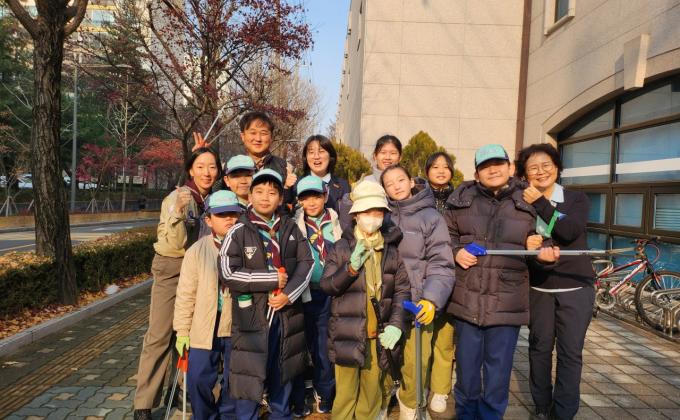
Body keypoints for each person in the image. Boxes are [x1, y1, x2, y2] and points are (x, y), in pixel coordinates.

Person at [443, 144, 559, 420]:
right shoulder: (460, 199)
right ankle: (465, 415)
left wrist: (542, 253)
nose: (492, 170)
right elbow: (443, 238)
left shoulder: (530, 199)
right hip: (467, 299)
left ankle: (492, 416)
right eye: (485, 166)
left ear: (510, 167)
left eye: (498, 164)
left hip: (507, 302)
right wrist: (455, 251)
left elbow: (548, 239)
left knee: (498, 375)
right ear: (476, 173)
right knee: (467, 372)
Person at [133, 142, 221, 420]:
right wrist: (179, 212)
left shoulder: (212, 199)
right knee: (160, 334)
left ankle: (182, 387)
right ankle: (144, 403)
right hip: (173, 268)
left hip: (201, 270)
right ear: (190, 171)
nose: (207, 172)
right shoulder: (179, 197)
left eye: (212, 167)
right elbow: (174, 242)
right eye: (200, 166)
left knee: (192, 332)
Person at [218, 168, 314, 419]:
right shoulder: (238, 230)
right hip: (251, 317)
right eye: (259, 191)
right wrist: (270, 279)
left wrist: (289, 294)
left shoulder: (290, 227)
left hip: (286, 316)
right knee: (248, 379)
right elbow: (227, 272)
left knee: (283, 375)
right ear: (249, 195)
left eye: (272, 193)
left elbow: (307, 263)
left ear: (281, 198)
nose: (265, 197)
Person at [515, 143, 595, 420]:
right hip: (540, 287)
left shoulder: (576, 199)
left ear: (557, 168)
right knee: (539, 349)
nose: (541, 171)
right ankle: (541, 405)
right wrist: (528, 245)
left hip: (576, 287)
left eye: (546, 165)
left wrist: (539, 201)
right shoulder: (520, 202)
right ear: (524, 174)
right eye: (533, 168)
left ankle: (563, 412)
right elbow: (518, 240)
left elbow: (570, 231)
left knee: (570, 353)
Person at [320, 180, 411, 420]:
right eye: (367, 212)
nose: (373, 217)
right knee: (345, 398)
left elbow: (402, 290)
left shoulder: (391, 250)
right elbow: (327, 286)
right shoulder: (341, 248)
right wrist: (349, 269)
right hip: (347, 335)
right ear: (356, 215)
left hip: (378, 337)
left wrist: (396, 325)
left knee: (371, 398)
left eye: (378, 212)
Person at [380, 164, 456, 419]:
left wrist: (431, 299)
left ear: (411, 181)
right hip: (386, 302)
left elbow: (441, 263)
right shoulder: (381, 215)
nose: (396, 186)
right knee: (384, 356)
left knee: (415, 361)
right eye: (389, 183)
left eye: (400, 180)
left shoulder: (431, 217)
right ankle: (383, 399)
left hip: (417, 303)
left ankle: (410, 406)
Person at [173, 190, 251, 418]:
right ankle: (205, 415)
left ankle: (227, 415)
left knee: (234, 378)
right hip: (203, 324)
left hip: (237, 322)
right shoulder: (197, 251)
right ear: (208, 220)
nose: (229, 219)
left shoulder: (249, 248)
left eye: (233, 214)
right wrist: (182, 331)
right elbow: (185, 294)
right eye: (221, 214)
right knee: (197, 376)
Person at [290, 175, 343, 416]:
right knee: (305, 345)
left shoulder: (337, 220)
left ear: (325, 196)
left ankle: (325, 391)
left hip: (333, 291)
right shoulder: (295, 225)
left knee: (325, 345)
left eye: (316, 196)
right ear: (299, 200)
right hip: (306, 293)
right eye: (305, 197)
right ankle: (301, 394)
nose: (311, 202)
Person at [423, 152, 458, 414]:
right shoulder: (418, 197)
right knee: (422, 339)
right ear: (427, 171)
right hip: (423, 273)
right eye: (435, 166)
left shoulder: (459, 199)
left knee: (445, 340)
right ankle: (420, 384)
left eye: (446, 167)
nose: (441, 170)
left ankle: (440, 389)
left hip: (450, 273)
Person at [239, 110, 297, 191]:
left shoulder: (285, 168)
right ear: (242, 136)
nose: (258, 139)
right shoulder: (231, 167)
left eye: (263, 133)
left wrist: (286, 188)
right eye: (253, 133)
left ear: (271, 137)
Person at [297, 134, 350, 213]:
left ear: (330, 155)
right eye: (311, 152)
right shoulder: (297, 184)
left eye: (321, 151)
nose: (316, 156)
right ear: (306, 157)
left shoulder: (343, 185)